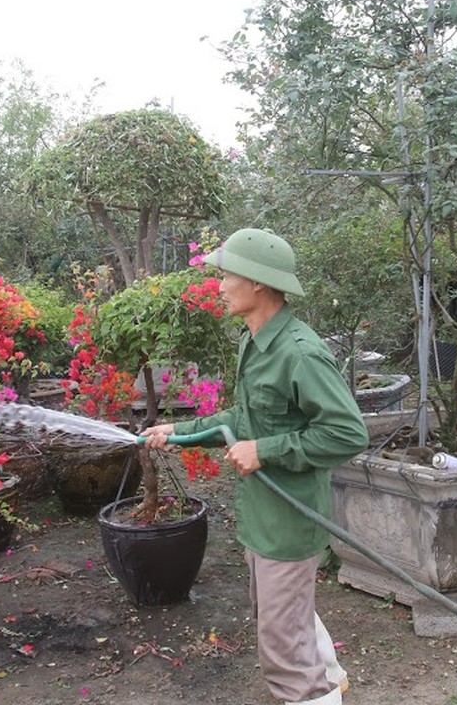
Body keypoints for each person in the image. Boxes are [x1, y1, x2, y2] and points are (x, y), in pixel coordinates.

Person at [142, 228, 369, 705]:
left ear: (259, 283)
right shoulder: (255, 341)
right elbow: (242, 420)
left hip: (287, 521)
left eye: (226, 275)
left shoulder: (299, 353)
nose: (219, 285)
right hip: (262, 514)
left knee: (282, 650)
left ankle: (314, 694)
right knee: (282, 614)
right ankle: (330, 681)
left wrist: (264, 450)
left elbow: (349, 434)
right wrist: (179, 433)